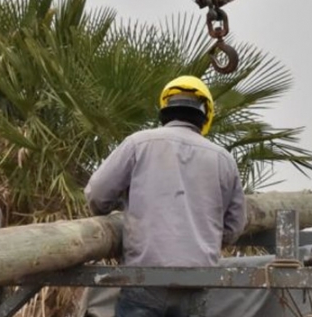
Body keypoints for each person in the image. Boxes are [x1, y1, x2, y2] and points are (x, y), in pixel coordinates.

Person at [84, 75, 247, 317]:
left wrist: (122, 205)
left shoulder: (138, 143)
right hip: (197, 281)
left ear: (165, 111)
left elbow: (96, 195)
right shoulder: (223, 159)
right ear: (205, 117)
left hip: (145, 279)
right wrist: (202, 239)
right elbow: (235, 225)